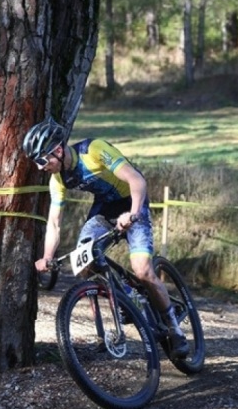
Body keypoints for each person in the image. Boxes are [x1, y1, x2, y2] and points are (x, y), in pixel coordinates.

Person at [24, 116, 190, 359]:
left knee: (142, 270)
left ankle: (175, 329)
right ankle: (124, 295)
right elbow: (54, 223)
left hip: (133, 204)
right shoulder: (58, 179)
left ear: (58, 150)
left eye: (41, 159)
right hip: (104, 211)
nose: (40, 167)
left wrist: (132, 214)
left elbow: (137, 180)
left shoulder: (94, 150)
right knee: (84, 262)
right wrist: (47, 257)